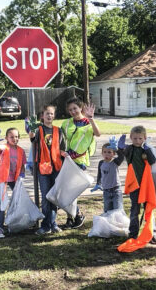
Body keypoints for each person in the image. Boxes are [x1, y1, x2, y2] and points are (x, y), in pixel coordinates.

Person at [61, 96, 101, 229]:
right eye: (70, 110)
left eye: (75, 108)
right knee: (66, 190)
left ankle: (76, 216)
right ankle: (72, 217)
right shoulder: (66, 124)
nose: (73, 111)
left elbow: (98, 133)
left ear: (81, 108)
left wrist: (91, 118)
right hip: (66, 159)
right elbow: (61, 140)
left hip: (79, 161)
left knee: (71, 190)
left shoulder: (88, 123)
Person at [118, 125, 156, 245]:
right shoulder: (130, 149)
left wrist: (147, 149)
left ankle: (152, 234)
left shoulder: (146, 149)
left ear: (145, 138)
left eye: (140, 139)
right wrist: (120, 147)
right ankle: (133, 234)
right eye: (135, 138)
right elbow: (122, 152)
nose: (137, 141)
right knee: (134, 210)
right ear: (131, 137)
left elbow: (152, 161)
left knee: (148, 209)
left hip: (146, 185)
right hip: (134, 186)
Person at [29, 105, 66, 235]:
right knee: (46, 197)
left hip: (56, 168)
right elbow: (32, 139)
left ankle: (53, 223)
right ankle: (45, 226)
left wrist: (66, 155)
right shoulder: (39, 129)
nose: (49, 116)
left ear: (54, 115)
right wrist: (31, 128)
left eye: (51, 114)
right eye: (46, 114)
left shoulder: (59, 130)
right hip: (43, 168)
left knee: (54, 197)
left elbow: (62, 149)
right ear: (42, 116)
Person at [0, 127, 26, 239]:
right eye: (11, 137)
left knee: (18, 201)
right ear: (6, 138)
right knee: (2, 205)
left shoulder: (21, 150)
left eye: (16, 136)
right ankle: (0, 228)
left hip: (15, 179)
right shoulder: (5, 148)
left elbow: (22, 165)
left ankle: (14, 223)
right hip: (3, 180)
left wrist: (22, 175)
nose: (14, 139)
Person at [91, 137, 124, 213]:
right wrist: (98, 184)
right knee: (107, 211)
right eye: (105, 152)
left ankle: (118, 224)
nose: (107, 154)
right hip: (106, 191)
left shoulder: (115, 162)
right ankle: (109, 224)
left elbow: (121, 157)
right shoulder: (101, 163)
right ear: (102, 153)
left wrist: (117, 149)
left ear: (113, 154)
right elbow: (100, 174)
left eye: (109, 152)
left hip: (116, 190)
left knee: (118, 210)